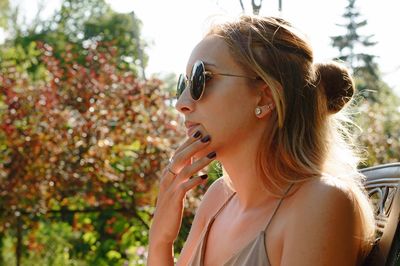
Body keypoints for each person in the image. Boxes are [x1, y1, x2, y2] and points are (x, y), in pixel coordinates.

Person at [147, 15, 376, 266]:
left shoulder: (319, 203)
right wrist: (161, 240)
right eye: (184, 84)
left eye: (203, 78)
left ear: (266, 96)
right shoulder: (218, 199)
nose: (182, 104)